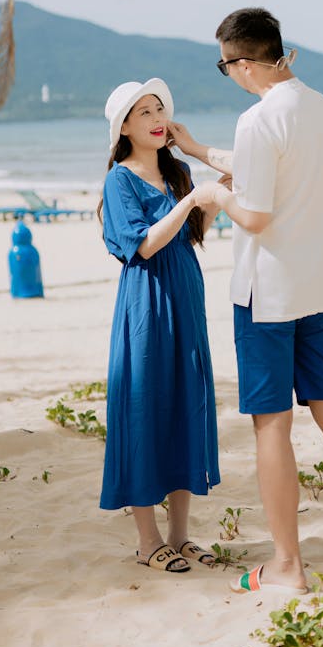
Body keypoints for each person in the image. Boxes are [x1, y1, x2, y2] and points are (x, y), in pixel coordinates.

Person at [168, 9, 323, 593]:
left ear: (241, 63)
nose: (229, 75)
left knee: (273, 428)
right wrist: (199, 150)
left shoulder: (258, 118)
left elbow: (257, 211)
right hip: (316, 290)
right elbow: (274, 168)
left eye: (224, 66)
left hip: (266, 296)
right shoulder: (316, 106)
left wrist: (210, 194)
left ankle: (287, 566)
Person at [98, 78, 222, 574]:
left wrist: (208, 204)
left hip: (186, 295)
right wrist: (191, 202)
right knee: (145, 409)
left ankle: (180, 537)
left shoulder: (179, 171)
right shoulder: (120, 179)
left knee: (184, 406)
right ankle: (148, 542)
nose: (156, 119)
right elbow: (144, 245)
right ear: (124, 127)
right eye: (143, 112)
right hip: (146, 303)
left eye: (160, 110)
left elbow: (190, 237)